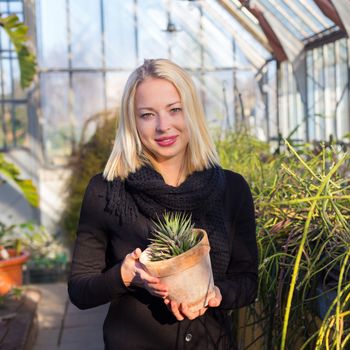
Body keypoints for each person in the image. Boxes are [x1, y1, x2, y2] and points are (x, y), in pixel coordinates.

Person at [68, 58, 258, 350]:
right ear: (132, 122)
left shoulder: (231, 189)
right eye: (147, 115)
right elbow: (80, 290)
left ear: (191, 113)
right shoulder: (106, 191)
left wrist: (215, 293)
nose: (163, 126)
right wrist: (125, 275)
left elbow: (247, 281)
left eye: (174, 110)